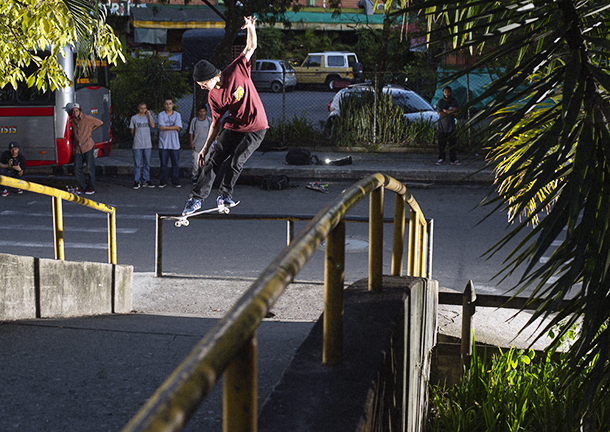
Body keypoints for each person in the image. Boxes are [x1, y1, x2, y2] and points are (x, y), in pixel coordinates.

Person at [182, 15, 268, 215]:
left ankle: (224, 195)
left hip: (256, 127)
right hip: (234, 126)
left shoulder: (236, 69)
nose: (204, 88)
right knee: (214, 159)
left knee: (236, 160)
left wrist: (251, 28)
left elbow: (250, 47)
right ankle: (196, 199)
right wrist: (204, 148)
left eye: (204, 84)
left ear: (213, 76)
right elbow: (216, 123)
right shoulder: (213, 97)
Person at [70, 102, 103, 194]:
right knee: (77, 168)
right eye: (73, 111)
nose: (75, 113)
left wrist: (90, 131)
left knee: (90, 168)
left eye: (76, 111)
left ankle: (91, 187)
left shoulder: (87, 118)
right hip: (78, 147)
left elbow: (100, 122)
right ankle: (83, 185)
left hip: (88, 146)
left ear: (80, 111)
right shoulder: (73, 121)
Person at [129, 102, 156, 189]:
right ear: (138, 108)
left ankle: (146, 179)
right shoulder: (134, 118)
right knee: (137, 163)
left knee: (147, 163)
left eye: (145, 108)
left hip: (147, 143)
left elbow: (153, 126)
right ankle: (136, 180)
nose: (143, 110)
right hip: (138, 144)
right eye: (141, 108)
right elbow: (132, 131)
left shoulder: (147, 118)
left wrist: (149, 115)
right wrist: (136, 138)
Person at [158, 98, 182, 188]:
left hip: (175, 144)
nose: (168, 105)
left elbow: (178, 127)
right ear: (164, 105)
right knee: (164, 163)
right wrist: (174, 127)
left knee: (175, 163)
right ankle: (163, 180)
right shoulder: (161, 115)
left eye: (170, 103)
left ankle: (175, 180)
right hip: (163, 143)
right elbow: (161, 127)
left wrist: (166, 127)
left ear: (173, 105)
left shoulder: (177, 115)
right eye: (166, 104)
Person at [188, 104, 213, 183]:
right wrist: (191, 143)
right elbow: (191, 132)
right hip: (197, 145)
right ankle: (194, 177)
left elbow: (213, 132)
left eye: (203, 111)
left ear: (206, 112)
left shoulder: (209, 120)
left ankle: (204, 178)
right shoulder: (194, 121)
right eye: (200, 111)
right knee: (196, 163)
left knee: (206, 163)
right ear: (198, 112)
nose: (202, 113)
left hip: (206, 146)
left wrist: (212, 145)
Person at [436, 86, 460, 165]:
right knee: (442, 144)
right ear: (443, 92)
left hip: (451, 126)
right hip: (442, 126)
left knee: (452, 143)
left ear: (450, 92)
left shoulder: (454, 101)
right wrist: (451, 111)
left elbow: (456, 112)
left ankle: (453, 159)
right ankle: (441, 158)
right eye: (445, 92)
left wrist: (447, 111)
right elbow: (440, 113)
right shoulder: (440, 102)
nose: (447, 93)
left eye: (448, 92)